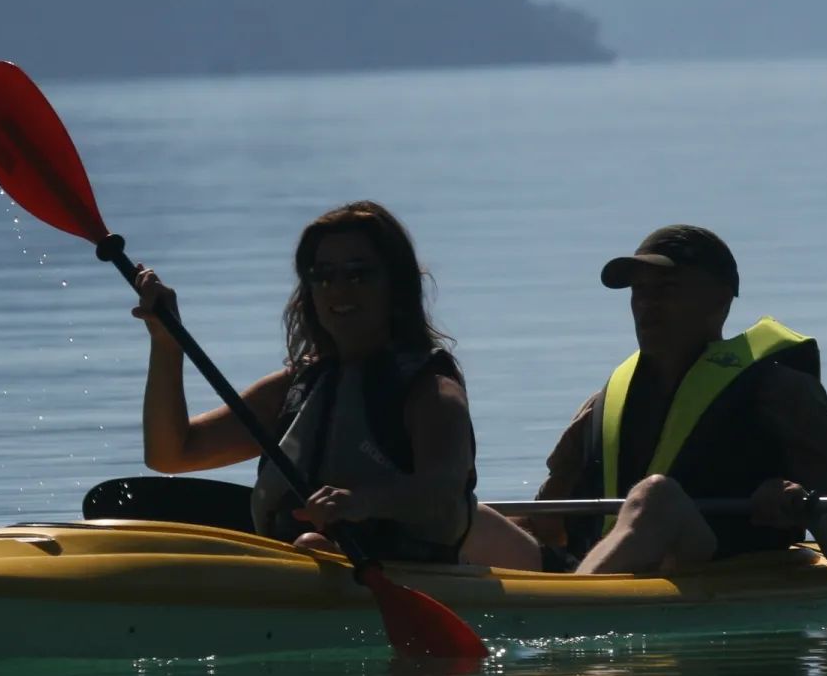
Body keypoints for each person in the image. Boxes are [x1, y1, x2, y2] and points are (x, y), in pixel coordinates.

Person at [133, 200, 541, 569]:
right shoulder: (295, 388)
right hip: (297, 565)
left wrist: (363, 502)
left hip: (404, 574)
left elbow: (443, 489)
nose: (339, 289)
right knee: (309, 543)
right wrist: (167, 344)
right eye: (323, 276)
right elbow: (172, 454)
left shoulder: (431, 392)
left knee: (313, 542)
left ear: (394, 286)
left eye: (359, 274)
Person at [524, 225, 827, 574]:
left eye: (668, 288)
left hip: (716, 567)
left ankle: (586, 604)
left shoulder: (784, 392)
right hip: (599, 573)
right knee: (475, 516)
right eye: (639, 290)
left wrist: (806, 508)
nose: (648, 304)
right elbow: (544, 525)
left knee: (656, 496)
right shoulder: (602, 405)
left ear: (720, 300)